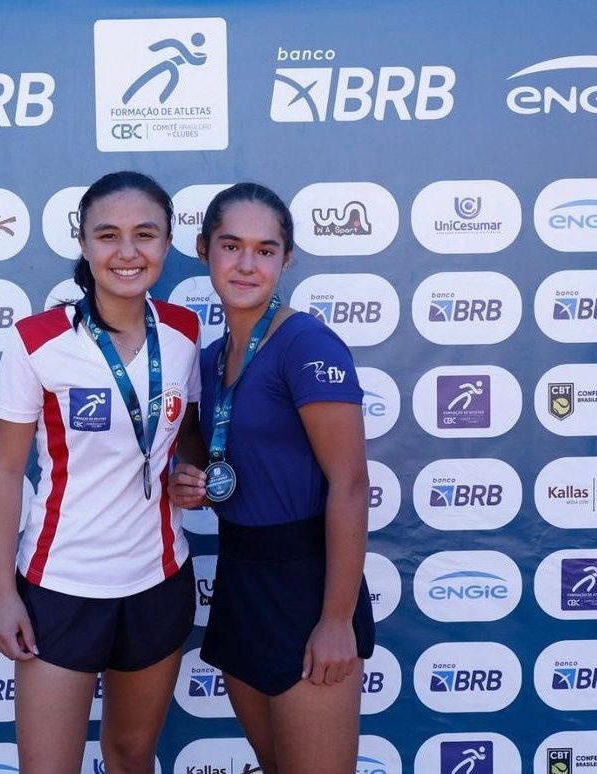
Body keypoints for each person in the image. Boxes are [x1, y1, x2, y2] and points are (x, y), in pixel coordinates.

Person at [0, 171, 202, 774]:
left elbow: (183, 433)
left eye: (145, 235)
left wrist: (193, 474)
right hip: (61, 585)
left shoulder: (184, 332)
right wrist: (3, 595)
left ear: (167, 243)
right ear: (82, 243)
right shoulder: (36, 341)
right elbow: (5, 471)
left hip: (159, 578)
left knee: (132, 756)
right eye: (107, 235)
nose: (127, 252)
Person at [169, 182, 375, 774]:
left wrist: (335, 620)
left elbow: (351, 485)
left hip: (307, 587)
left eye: (265, 250)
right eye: (231, 246)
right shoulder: (209, 358)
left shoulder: (306, 342)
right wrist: (191, 482)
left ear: (287, 259)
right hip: (241, 577)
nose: (246, 264)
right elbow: (206, 459)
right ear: (204, 250)